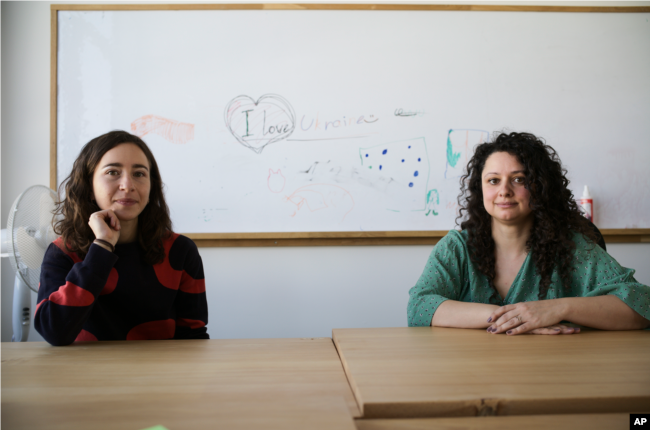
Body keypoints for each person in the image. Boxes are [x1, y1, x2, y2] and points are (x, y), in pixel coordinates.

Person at [408, 132, 650, 334]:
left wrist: (557, 309)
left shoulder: (573, 247)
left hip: (553, 376)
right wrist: (519, 318)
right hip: (473, 375)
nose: (504, 191)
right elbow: (420, 307)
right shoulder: (456, 248)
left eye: (519, 179)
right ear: (479, 188)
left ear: (540, 186)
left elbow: (642, 305)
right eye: (493, 181)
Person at [36, 130, 209, 345]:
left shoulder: (180, 250)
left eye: (139, 174)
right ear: (89, 186)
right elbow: (53, 331)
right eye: (112, 172)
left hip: (161, 375)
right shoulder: (62, 252)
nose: (128, 185)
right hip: (84, 374)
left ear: (151, 186)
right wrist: (102, 247)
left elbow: (193, 335)